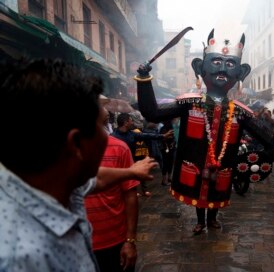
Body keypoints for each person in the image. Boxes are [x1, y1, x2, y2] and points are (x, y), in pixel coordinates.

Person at [0, 58, 158, 272]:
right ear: (76, 144)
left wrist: (131, 171)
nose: (107, 135)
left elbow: (98, 179)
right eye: (103, 125)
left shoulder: (56, 182)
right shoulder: (21, 258)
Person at [135, 28, 274, 234]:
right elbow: (152, 112)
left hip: (222, 166)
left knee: (216, 193)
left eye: (230, 64)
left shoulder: (240, 113)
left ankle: (212, 219)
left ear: (241, 72)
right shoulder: (189, 103)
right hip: (195, 164)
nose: (222, 69)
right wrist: (144, 79)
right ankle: (200, 221)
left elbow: (272, 144)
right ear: (199, 67)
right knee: (199, 192)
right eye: (215, 62)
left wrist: (247, 164)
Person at [85, 108, 139, 272]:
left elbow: (130, 196)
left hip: (113, 241)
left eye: (106, 121)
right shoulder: (60, 151)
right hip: (76, 244)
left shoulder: (119, 148)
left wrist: (130, 240)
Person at [112, 113, 173, 196]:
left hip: (132, 160)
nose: (132, 123)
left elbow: (147, 135)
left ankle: (143, 190)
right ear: (126, 123)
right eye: (131, 121)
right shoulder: (113, 136)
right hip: (119, 163)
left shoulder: (131, 134)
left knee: (139, 173)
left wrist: (163, 136)